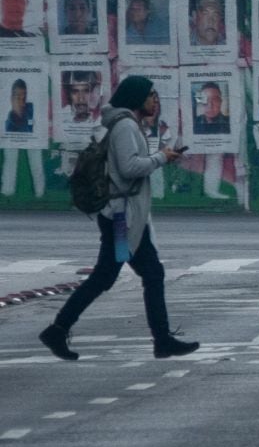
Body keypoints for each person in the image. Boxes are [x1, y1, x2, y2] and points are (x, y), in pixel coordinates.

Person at [38, 76, 197, 361]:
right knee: (107, 276)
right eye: (150, 95)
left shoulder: (127, 124)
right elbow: (129, 168)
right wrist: (161, 157)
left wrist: (162, 157)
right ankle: (58, 329)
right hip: (122, 218)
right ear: (136, 98)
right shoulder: (125, 126)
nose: (154, 101)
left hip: (129, 217)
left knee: (149, 273)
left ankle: (162, 340)